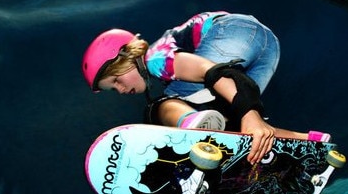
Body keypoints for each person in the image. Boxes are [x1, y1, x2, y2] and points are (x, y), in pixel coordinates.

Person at [82, 12, 331, 165]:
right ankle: (310, 144)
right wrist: (247, 115)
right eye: (114, 90)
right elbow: (232, 84)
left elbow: (213, 72)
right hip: (268, 49)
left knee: (159, 107)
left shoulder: (156, 59)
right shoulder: (162, 66)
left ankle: (191, 125)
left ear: (127, 57)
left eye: (116, 81)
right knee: (236, 125)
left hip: (235, 31)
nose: (121, 91)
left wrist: (250, 113)